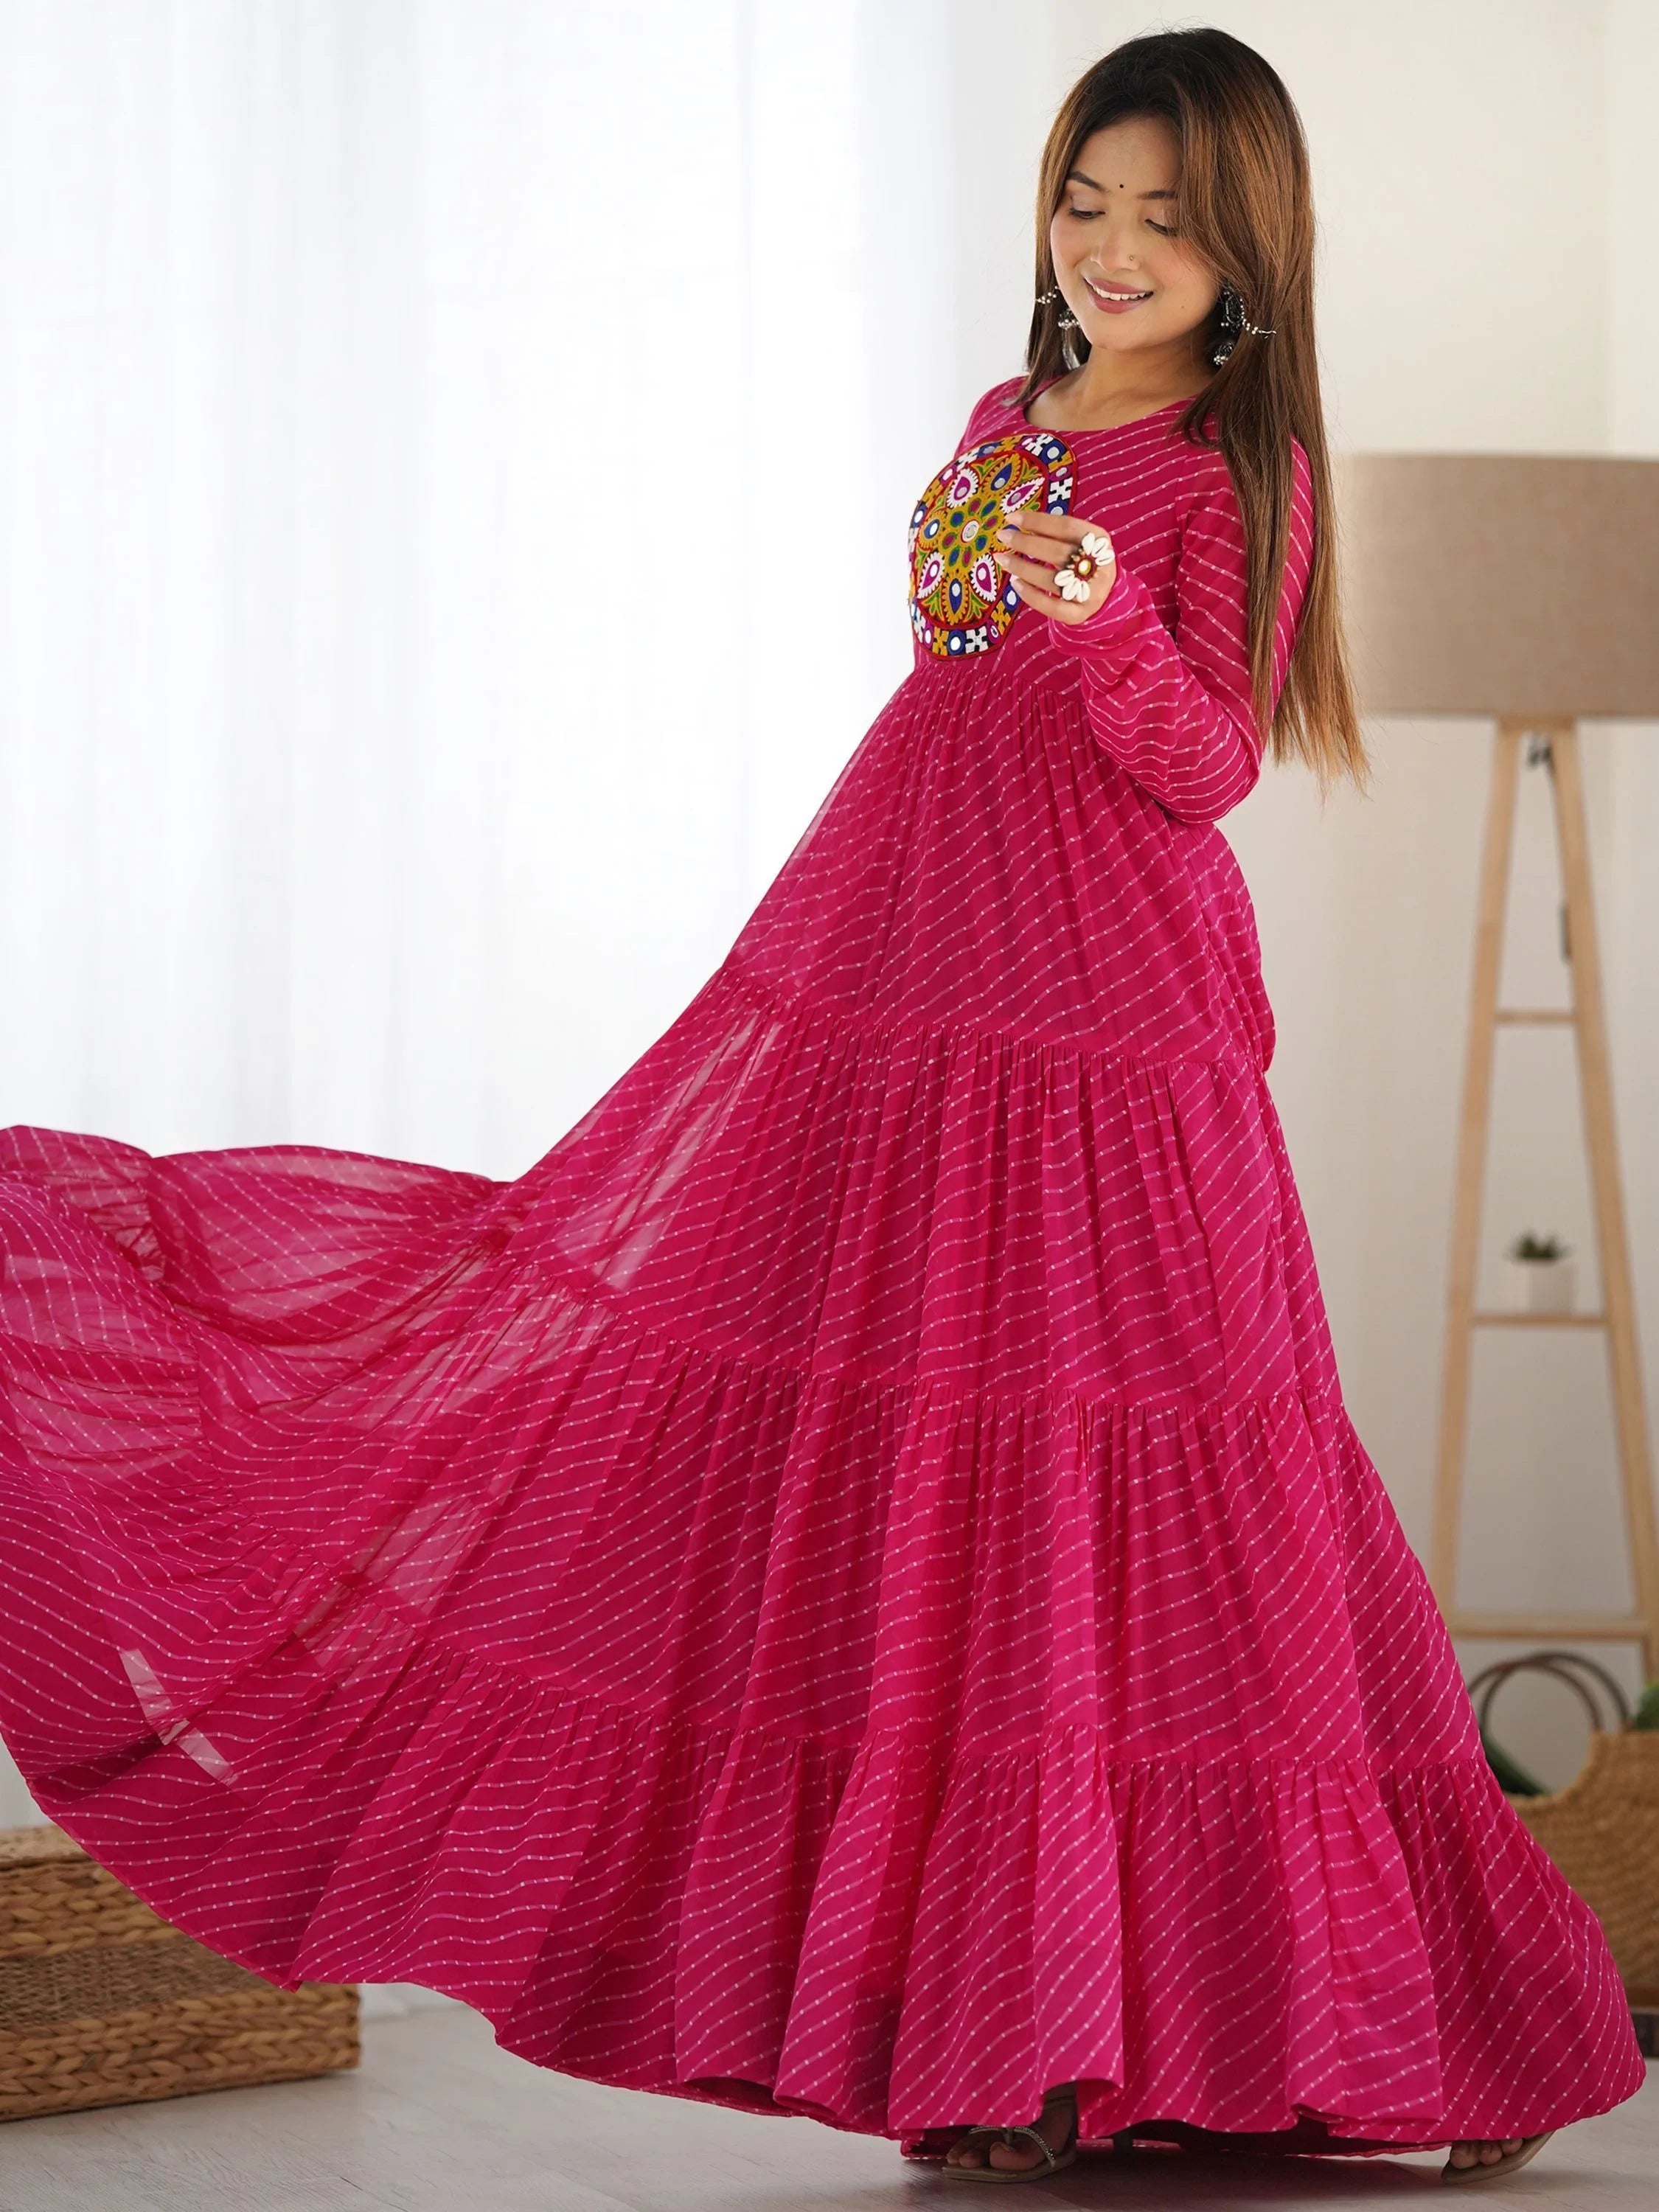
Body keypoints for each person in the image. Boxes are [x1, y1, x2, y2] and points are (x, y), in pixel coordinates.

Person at [0, 23, 1643, 2194]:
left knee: (1160, 1496)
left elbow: (1205, 763)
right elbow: (938, 677)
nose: (1113, 246)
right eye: (1086, 198)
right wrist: (1005, 600)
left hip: (1110, 1022)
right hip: (898, 974)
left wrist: (1086, 618)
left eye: (1166, 217)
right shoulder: (999, 412)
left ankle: (1383, 2031)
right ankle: (994, 2044)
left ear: (1247, 257)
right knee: (908, 1501)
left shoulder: (1239, 462)